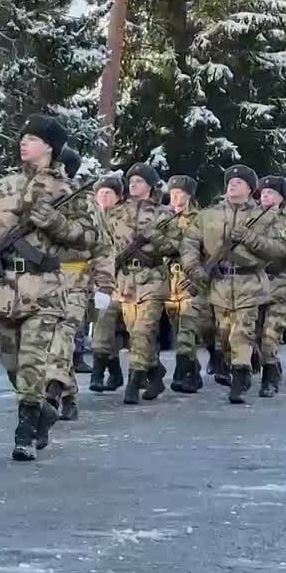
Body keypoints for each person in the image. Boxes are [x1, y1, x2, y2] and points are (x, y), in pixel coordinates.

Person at [0, 115, 95, 460]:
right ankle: (41, 412)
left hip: (44, 286)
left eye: (32, 138)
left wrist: (58, 224)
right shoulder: (0, 188)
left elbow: (89, 239)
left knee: (34, 362)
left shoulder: (68, 191)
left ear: (50, 147)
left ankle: (25, 433)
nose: (23, 142)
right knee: (12, 363)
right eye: (22, 136)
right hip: (3, 288)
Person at [179, 166, 286, 403]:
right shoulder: (208, 215)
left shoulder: (266, 217)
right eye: (230, 181)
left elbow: (281, 250)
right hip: (219, 282)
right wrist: (193, 268)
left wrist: (250, 238)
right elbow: (190, 243)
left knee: (242, 331)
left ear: (249, 189)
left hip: (250, 281)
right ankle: (236, 364)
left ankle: (241, 375)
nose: (233, 184)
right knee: (224, 334)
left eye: (239, 182)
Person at [103, 162, 176, 405]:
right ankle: (155, 373)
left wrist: (154, 242)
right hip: (125, 280)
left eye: (139, 181)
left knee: (144, 330)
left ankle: (134, 381)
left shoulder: (163, 214)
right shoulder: (115, 213)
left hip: (152, 278)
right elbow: (104, 244)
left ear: (150, 186)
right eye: (131, 181)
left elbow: (175, 246)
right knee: (136, 334)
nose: (134, 184)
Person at [47, 147, 95, 419]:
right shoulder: (37, 194)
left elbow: (101, 243)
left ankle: (53, 391)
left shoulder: (83, 200)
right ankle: (70, 394)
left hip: (75, 277)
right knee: (50, 340)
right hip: (43, 279)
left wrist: (105, 283)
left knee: (64, 335)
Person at [253, 176, 286, 397]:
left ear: (281, 198)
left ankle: (269, 375)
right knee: (252, 334)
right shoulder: (249, 221)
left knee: (270, 334)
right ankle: (269, 365)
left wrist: (283, 255)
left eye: (271, 192)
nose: (265, 195)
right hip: (253, 285)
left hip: (280, 284)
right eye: (263, 192)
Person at [164, 174, 215, 394]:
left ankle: (184, 372)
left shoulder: (199, 219)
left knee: (188, 328)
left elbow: (206, 249)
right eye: (172, 193)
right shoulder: (162, 216)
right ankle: (193, 370)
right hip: (169, 280)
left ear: (189, 195)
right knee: (180, 330)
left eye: (180, 194)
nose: (175, 198)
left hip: (191, 278)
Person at [88, 175, 125, 393]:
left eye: (109, 192)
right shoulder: (90, 217)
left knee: (104, 318)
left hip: (118, 280)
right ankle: (115, 370)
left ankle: (99, 370)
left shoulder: (122, 218)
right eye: (100, 191)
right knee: (100, 323)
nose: (103, 195)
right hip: (88, 278)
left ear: (118, 197)